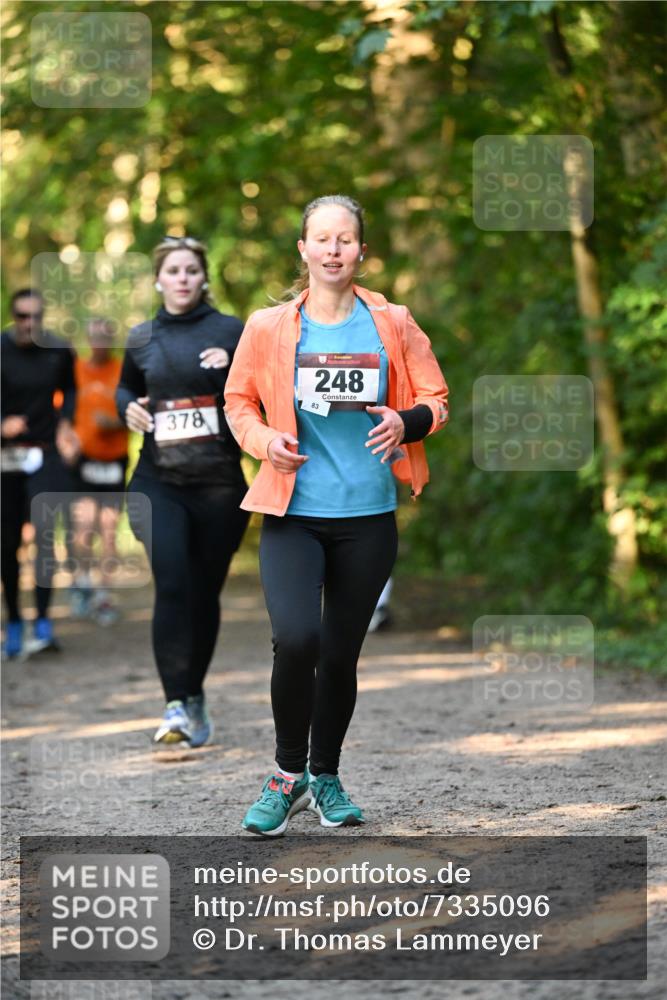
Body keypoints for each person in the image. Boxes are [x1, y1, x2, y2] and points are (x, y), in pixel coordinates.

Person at [224, 194, 449, 836]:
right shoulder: (267, 327)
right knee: (297, 639)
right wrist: (265, 441)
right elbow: (237, 401)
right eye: (321, 239)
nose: (332, 249)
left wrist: (405, 423)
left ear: (360, 250)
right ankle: (285, 774)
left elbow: (437, 400)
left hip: (369, 516)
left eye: (344, 239)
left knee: (342, 653)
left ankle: (326, 776)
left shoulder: (392, 323)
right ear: (303, 249)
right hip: (293, 511)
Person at [116, 236, 249, 748]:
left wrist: (232, 365)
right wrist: (128, 407)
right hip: (158, 483)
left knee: (203, 593)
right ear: (158, 278)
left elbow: (259, 390)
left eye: (192, 270)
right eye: (173, 270)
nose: (183, 278)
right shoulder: (142, 336)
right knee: (171, 581)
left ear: (204, 278)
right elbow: (125, 388)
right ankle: (175, 703)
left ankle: (193, 695)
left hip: (218, 485)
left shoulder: (230, 331)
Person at [1, 288, 76, 658]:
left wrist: (66, 424)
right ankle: (13, 620)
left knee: (46, 536)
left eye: (35, 317)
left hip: (45, 454)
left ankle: (43, 622)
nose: (28, 323)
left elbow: (72, 390)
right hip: (6, 458)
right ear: (13, 316)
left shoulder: (59, 350)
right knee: (6, 544)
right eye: (21, 316)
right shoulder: (1, 348)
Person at [67, 317, 129, 625]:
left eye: (106, 337)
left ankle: (104, 596)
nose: (100, 343)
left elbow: (135, 410)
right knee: (83, 529)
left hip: (114, 459)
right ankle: (82, 582)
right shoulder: (76, 370)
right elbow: (62, 412)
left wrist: (116, 422)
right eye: (95, 337)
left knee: (107, 531)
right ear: (88, 339)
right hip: (84, 459)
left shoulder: (122, 370)